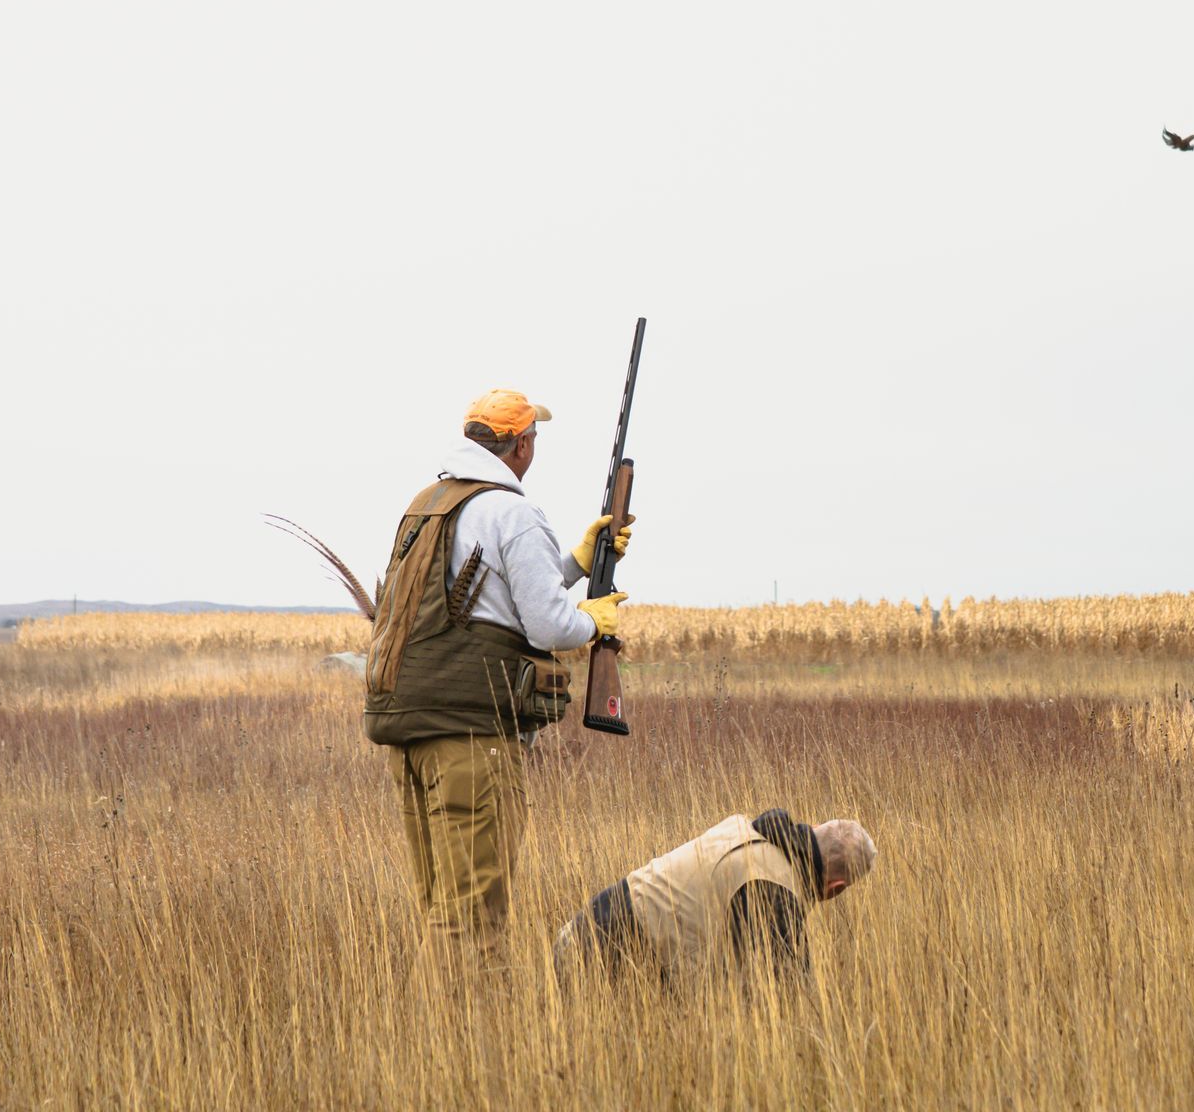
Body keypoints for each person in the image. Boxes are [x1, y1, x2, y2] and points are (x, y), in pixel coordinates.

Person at [363, 388, 634, 966]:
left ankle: (441, 1046)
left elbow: (490, 594)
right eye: (532, 438)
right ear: (521, 446)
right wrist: (592, 619)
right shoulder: (512, 510)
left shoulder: (429, 503)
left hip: (414, 736)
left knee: (443, 912)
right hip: (473, 739)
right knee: (479, 918)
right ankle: (481, 1050)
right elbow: (549, 624)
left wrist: (577, 564)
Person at [553, 810, 876, 982]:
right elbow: (786, 995)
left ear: (814, 826)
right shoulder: (776, 891)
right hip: (599, 966)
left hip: (578, 933)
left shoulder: (746, 829)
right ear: (835, 890)